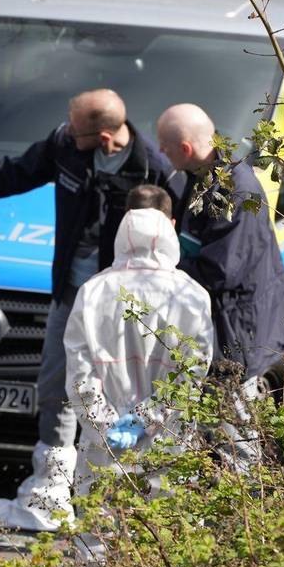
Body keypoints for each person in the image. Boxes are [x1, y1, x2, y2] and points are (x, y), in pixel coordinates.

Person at [0, 89, 179, 531]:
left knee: (120, 396)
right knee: (56, 387)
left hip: (125, 309)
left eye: (76, 128)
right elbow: (7, 175)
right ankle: (48, 495)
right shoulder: (65, 147)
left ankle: (119, 507)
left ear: (105, 137)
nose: (66, 132)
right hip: (71, 294)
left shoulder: (153, 172)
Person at [155, 103, 284, 469]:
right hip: (226, 328)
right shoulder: (200, 177)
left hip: (242, 336)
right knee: (218, 433)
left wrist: (162, 275)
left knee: (238, 443)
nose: (161, 153)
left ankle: (246, 515)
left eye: (165, 146)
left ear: (186, 149)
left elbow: (221, 269)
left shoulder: (235, 189)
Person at [64, 185, 214, 497]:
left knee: (98, 538)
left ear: (124, 225)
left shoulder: (93, 292)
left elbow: (80, 375)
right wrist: (146, 419)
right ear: (171, 227)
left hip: (102, 449)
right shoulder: (192, 296)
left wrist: (106, 426)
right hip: (168, 443)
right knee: (165, 537)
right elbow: (191, 376)